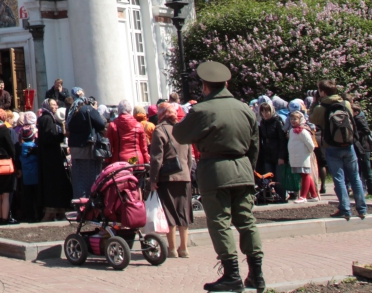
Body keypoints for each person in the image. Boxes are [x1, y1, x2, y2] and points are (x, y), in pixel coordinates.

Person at [172, 61, 265, 293]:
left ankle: (232, 275)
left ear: (205, 86)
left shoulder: (202, 110)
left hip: (214, 171)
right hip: (242, 168)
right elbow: (255, 145)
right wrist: (248, 168)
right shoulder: (244, 108)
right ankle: (257, 274)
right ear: (226, 83)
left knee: (220, 223)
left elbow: (181, 135)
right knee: (247, 221)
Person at [310, 80, 368, 221]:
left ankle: (345, 209)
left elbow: (312, 118)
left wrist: (315, 102)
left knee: (339, 179)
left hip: (331, 147)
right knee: (355, 177)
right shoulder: (345, 104)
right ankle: (362, 209)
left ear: (322, 92)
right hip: (348, 145)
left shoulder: (321, 108)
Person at [148, 102, 193, 259]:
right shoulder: (184, 130)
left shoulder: (159, 130)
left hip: (167, 178)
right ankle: (184, 248)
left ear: (161, 114)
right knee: (183, 211)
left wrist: (153, 179)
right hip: (185, 176)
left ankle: (172, 249)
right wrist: (188, 173)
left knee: (169, 212)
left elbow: (156, 158)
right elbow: (190, 157)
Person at [66, 91, 107, 200]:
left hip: (75, 148)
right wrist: (93, 109)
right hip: (87, 148)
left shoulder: (71, 111)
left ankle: (79, 202)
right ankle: (89, 204)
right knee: (91, 177)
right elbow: (101, 124)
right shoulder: (88, 109)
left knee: (78, 178)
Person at [36, 99, 71, 221]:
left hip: (50, 157)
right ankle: (52, 211)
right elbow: (47, 138)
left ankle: (60, 210)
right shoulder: (47, 119)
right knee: (52, 184)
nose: (55, 106)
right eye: (52, 105)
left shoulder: (49, 118)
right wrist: (61, 136)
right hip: (50, 158)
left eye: (56, 104)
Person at [106, 99, 150, 166]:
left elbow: (109, 147)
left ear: (119, 111)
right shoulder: (138, 125)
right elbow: (144, 147)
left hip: (120, 161)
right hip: (136, 160)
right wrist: (147, 161)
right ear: (130, 110)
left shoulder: (112, 125)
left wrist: (107, 162)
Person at [287, 111, 319, 202]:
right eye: (291, 119)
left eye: (295, 119)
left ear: (300, 120)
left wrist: (306, 153)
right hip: (295, 157)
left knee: (305, 175)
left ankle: (303, 196)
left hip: (303, 157)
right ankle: (314, 195)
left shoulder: (303, 131)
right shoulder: (292, 131)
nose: (293, 121)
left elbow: (311, 145)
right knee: (304, 175)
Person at [256, 101, 288, 190]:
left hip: (277, 152)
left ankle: (282, 195)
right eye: (263, 112)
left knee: (279, 177)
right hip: (267, 153)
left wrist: (281, 156)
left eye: (267, 111)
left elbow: (282, 140)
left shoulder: (277, 122)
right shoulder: (262, 123)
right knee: (267, 177)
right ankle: (271, 196)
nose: (265, 114)